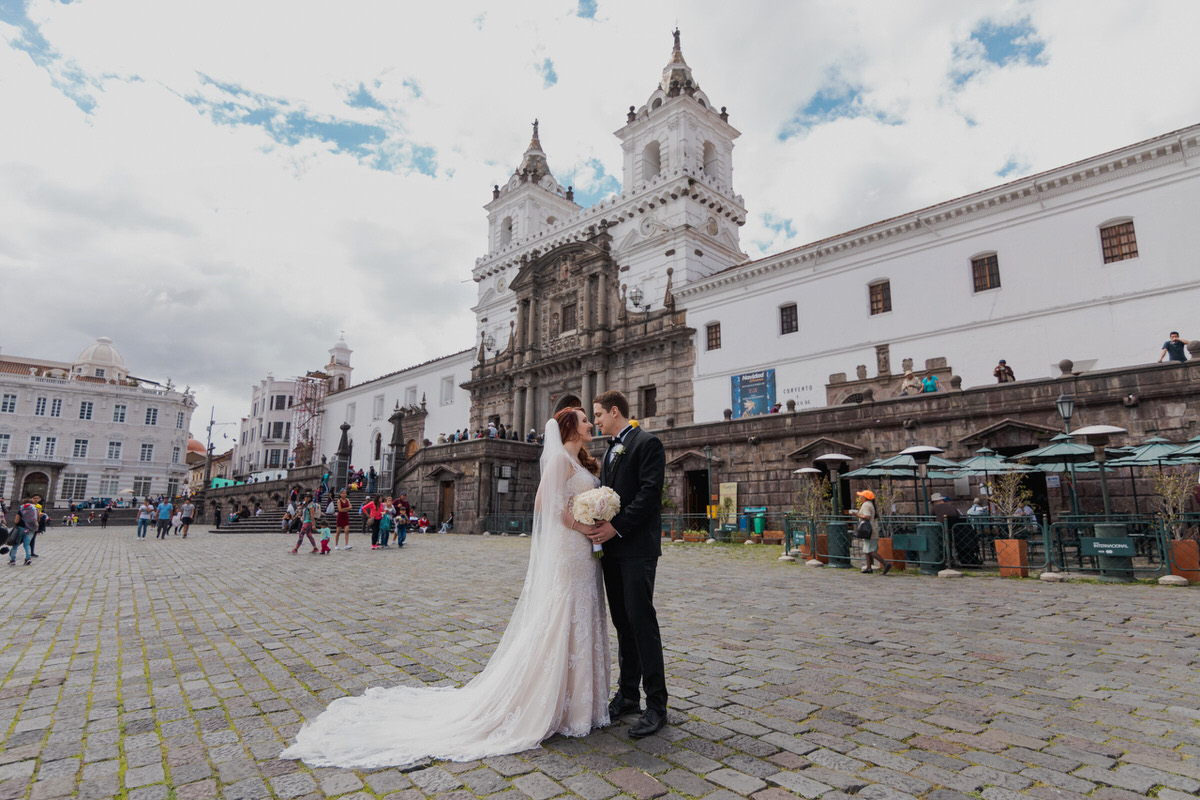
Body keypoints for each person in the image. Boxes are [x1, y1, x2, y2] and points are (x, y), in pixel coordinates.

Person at [284, 407, 610, 768]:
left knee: (582, 615)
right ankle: (559, 702)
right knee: (564, 615)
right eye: (584, 419)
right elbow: (543, 504)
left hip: (582, 552)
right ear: (569, 427)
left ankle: (578, 703)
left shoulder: (578, 461)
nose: (590, 424)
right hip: (571, 547)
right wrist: (582, 526)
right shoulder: (561, 461)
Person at [588, 390, 668, 739]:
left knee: (641, 623)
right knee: (622, 623)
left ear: (615, 411)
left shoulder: (648, 444)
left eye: (599, 414)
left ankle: (657, 705)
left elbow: (649, 495)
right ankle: (628, 695)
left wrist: (615, 527)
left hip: (636, 549)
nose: (595, 421)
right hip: (613, 552)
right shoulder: (609, 449)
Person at [851, 489, 890, 575]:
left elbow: (867, 516)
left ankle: (885, 564)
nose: (860, 497)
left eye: (861, 496)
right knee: (866, 549)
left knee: (870, 550)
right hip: (871, 530)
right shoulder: (870, 504)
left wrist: (856, 515)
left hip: (869, 531)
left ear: (865, 498)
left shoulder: (866, 505)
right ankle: (869, 567)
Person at [7, 496, 38, 566]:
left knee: (15, 544)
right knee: (27, 545)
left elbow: (16, 521)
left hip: (21, 528)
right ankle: (28, 558)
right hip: (31, 529)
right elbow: (37, 520)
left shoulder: (21, 509)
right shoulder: (35, 509)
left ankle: (12, 560)